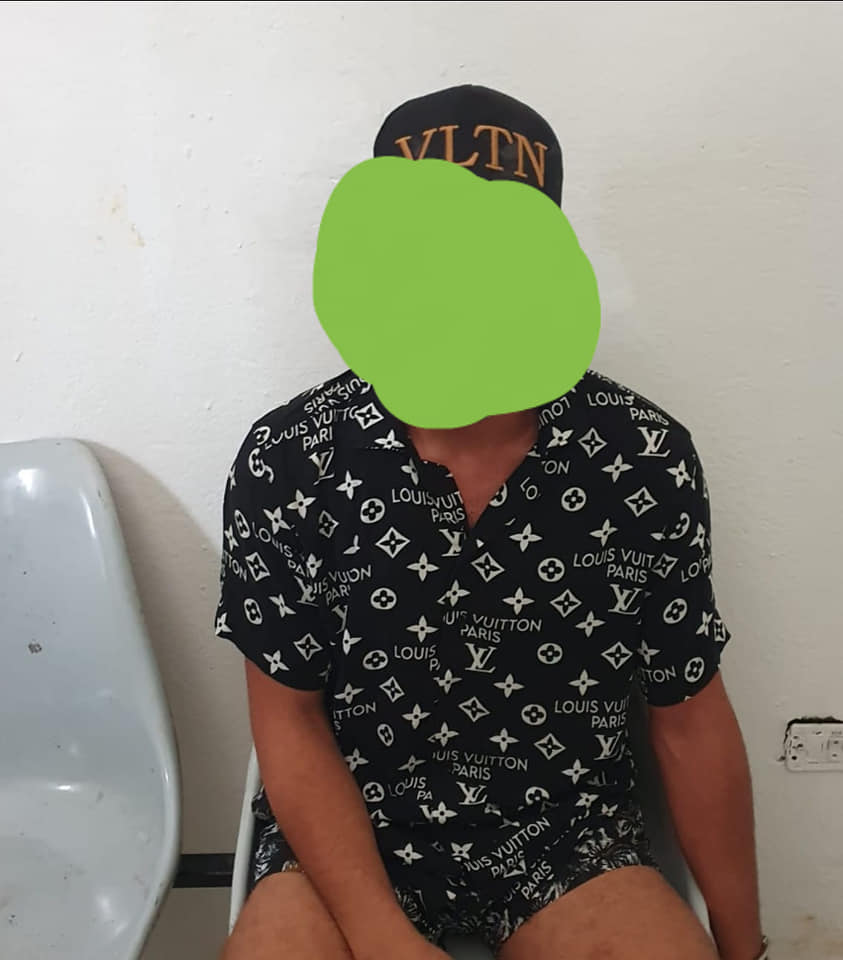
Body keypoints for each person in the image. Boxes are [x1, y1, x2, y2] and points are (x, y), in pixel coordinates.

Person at [216, 85, 766, 960]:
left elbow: (688, 718)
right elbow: (288, 720)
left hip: (568, 835)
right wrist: (382, 937)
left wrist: (744, 949)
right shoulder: (292, 455)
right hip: (350, 830)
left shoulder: (642, 454)